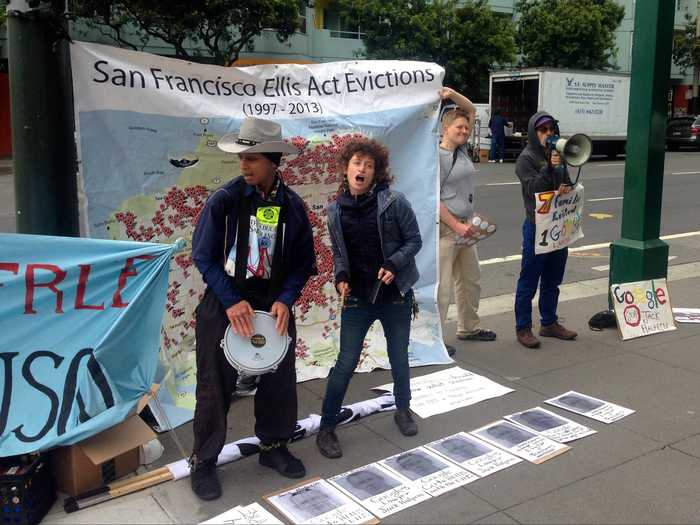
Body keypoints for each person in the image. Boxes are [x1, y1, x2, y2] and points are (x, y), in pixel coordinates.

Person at [189, 117, 317, 501]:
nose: (244, 165)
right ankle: (204, 462)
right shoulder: (225, 201)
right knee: (214, 386)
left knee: (279, 380)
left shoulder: (292, 206)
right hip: (225, 302)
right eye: (241, 157)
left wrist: (286, 299)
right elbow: (203, 256)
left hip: (272, 302)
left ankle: (273, 448)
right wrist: (231, 302)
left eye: (253, 158)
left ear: (274, 161)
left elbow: (302, 263)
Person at [316, 136, 423, 459]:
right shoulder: (335, 211)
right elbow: (338, 254)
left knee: (399, 356)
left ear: (376, 173)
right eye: (356, 163)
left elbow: (414, 240)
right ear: (346, 169)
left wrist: (394, 264)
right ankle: (326, 428)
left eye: (368, 164)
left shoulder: (393, 202)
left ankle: (403, 409)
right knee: (345, 363)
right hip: (359, 299)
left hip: (394, 296)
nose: (361, 169)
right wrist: (340, 277)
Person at [438, 88, 497, 357]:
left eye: (465, 127)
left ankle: (468, 327)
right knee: (443, 287)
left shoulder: (462, 151)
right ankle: (434, 339)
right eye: (458, 127)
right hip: (447, 229)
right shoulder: (437, 157)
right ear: (445, 129)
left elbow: (471, 109)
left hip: (466, 225)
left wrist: (452, 94)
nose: (463, 130)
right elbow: (432, 198)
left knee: (471, 280)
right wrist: (456, 224)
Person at [514, 111, 578, 349]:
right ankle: (523, 327)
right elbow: (532, 189)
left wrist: (566, 188)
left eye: (551, 129)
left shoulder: (558, 155)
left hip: (558, 225)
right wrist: (548, 169)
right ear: (534, 132)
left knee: (553, 278)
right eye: (543, 130)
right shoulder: (526, 159)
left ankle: (549, 322)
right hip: (537, 226)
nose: (548, 134)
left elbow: (567, 183)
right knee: (529, 279)